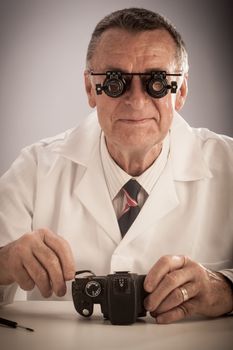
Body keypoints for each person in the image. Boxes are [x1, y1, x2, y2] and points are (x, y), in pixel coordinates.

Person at [0, 7, 232, 324]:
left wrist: (225, 287)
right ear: (89, 89)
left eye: (157, 81)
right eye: (114, 81)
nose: (136, 101)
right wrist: (4, 263)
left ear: (181, 92)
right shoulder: (35, 168)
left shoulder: (228, 165)